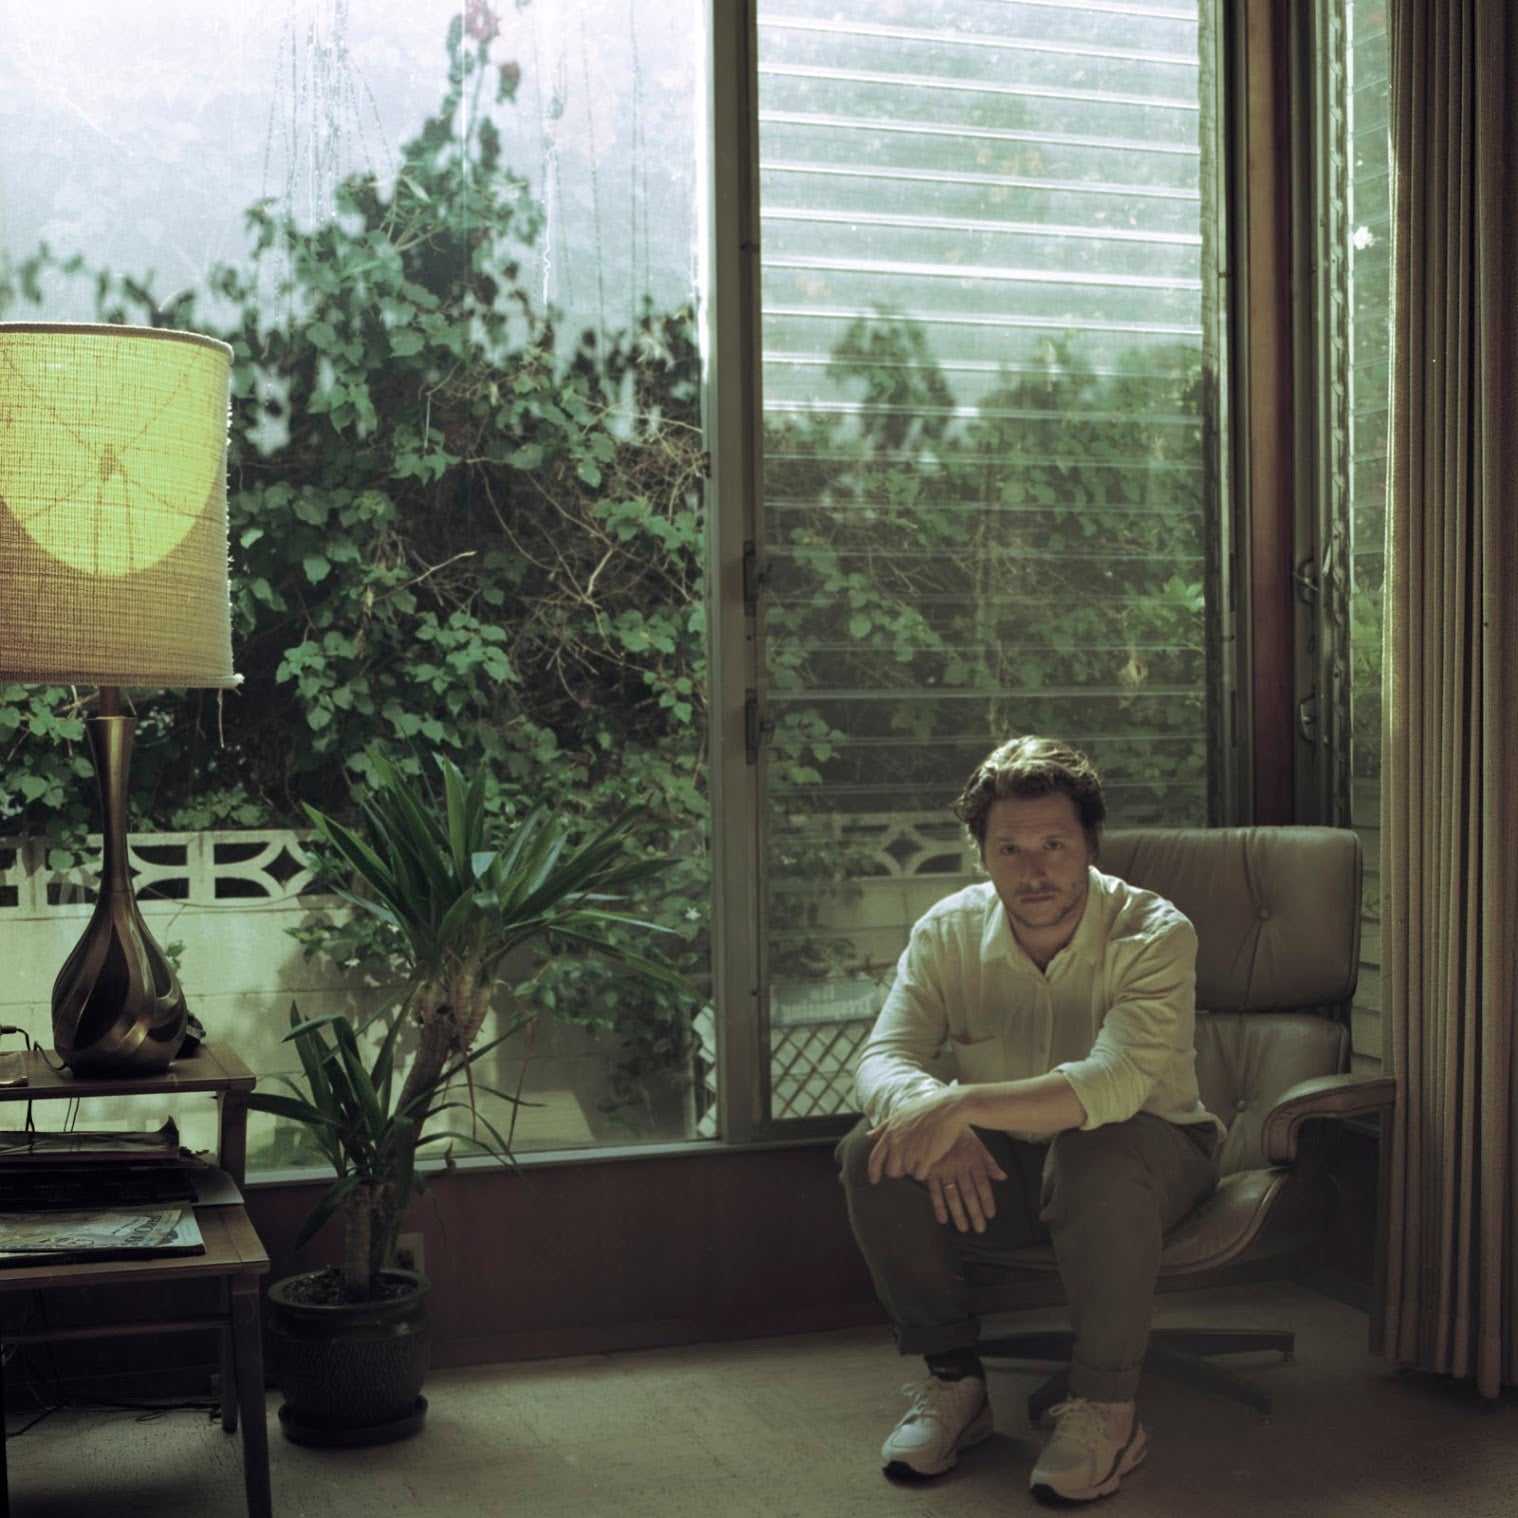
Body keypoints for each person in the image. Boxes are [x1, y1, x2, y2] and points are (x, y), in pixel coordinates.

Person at [834, 735, 1225, 1505]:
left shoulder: (1154, 931)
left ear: (1091, 845)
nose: (1034, 870)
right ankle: (955, 1384)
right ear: (982, 854)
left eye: (1054, 845)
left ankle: (1107, 1409)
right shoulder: (946, 931)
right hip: (1011, 1161)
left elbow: (1113, 1084)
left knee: (1094, 1152)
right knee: (872, 1152)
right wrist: (932, 1118)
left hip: (1153, 1153)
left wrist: (961, 1103)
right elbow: (883, 1056)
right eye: (1009, 849)